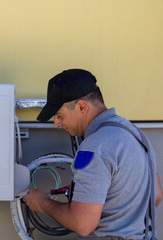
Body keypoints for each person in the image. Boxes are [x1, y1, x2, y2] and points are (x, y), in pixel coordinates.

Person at [23, 69, 162, 240]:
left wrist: (43, 203)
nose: (57, 124)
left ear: (82, 106)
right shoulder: (134, 133)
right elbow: (155, 196)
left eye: (59, 115)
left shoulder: (95, 147)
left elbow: (82, 224)